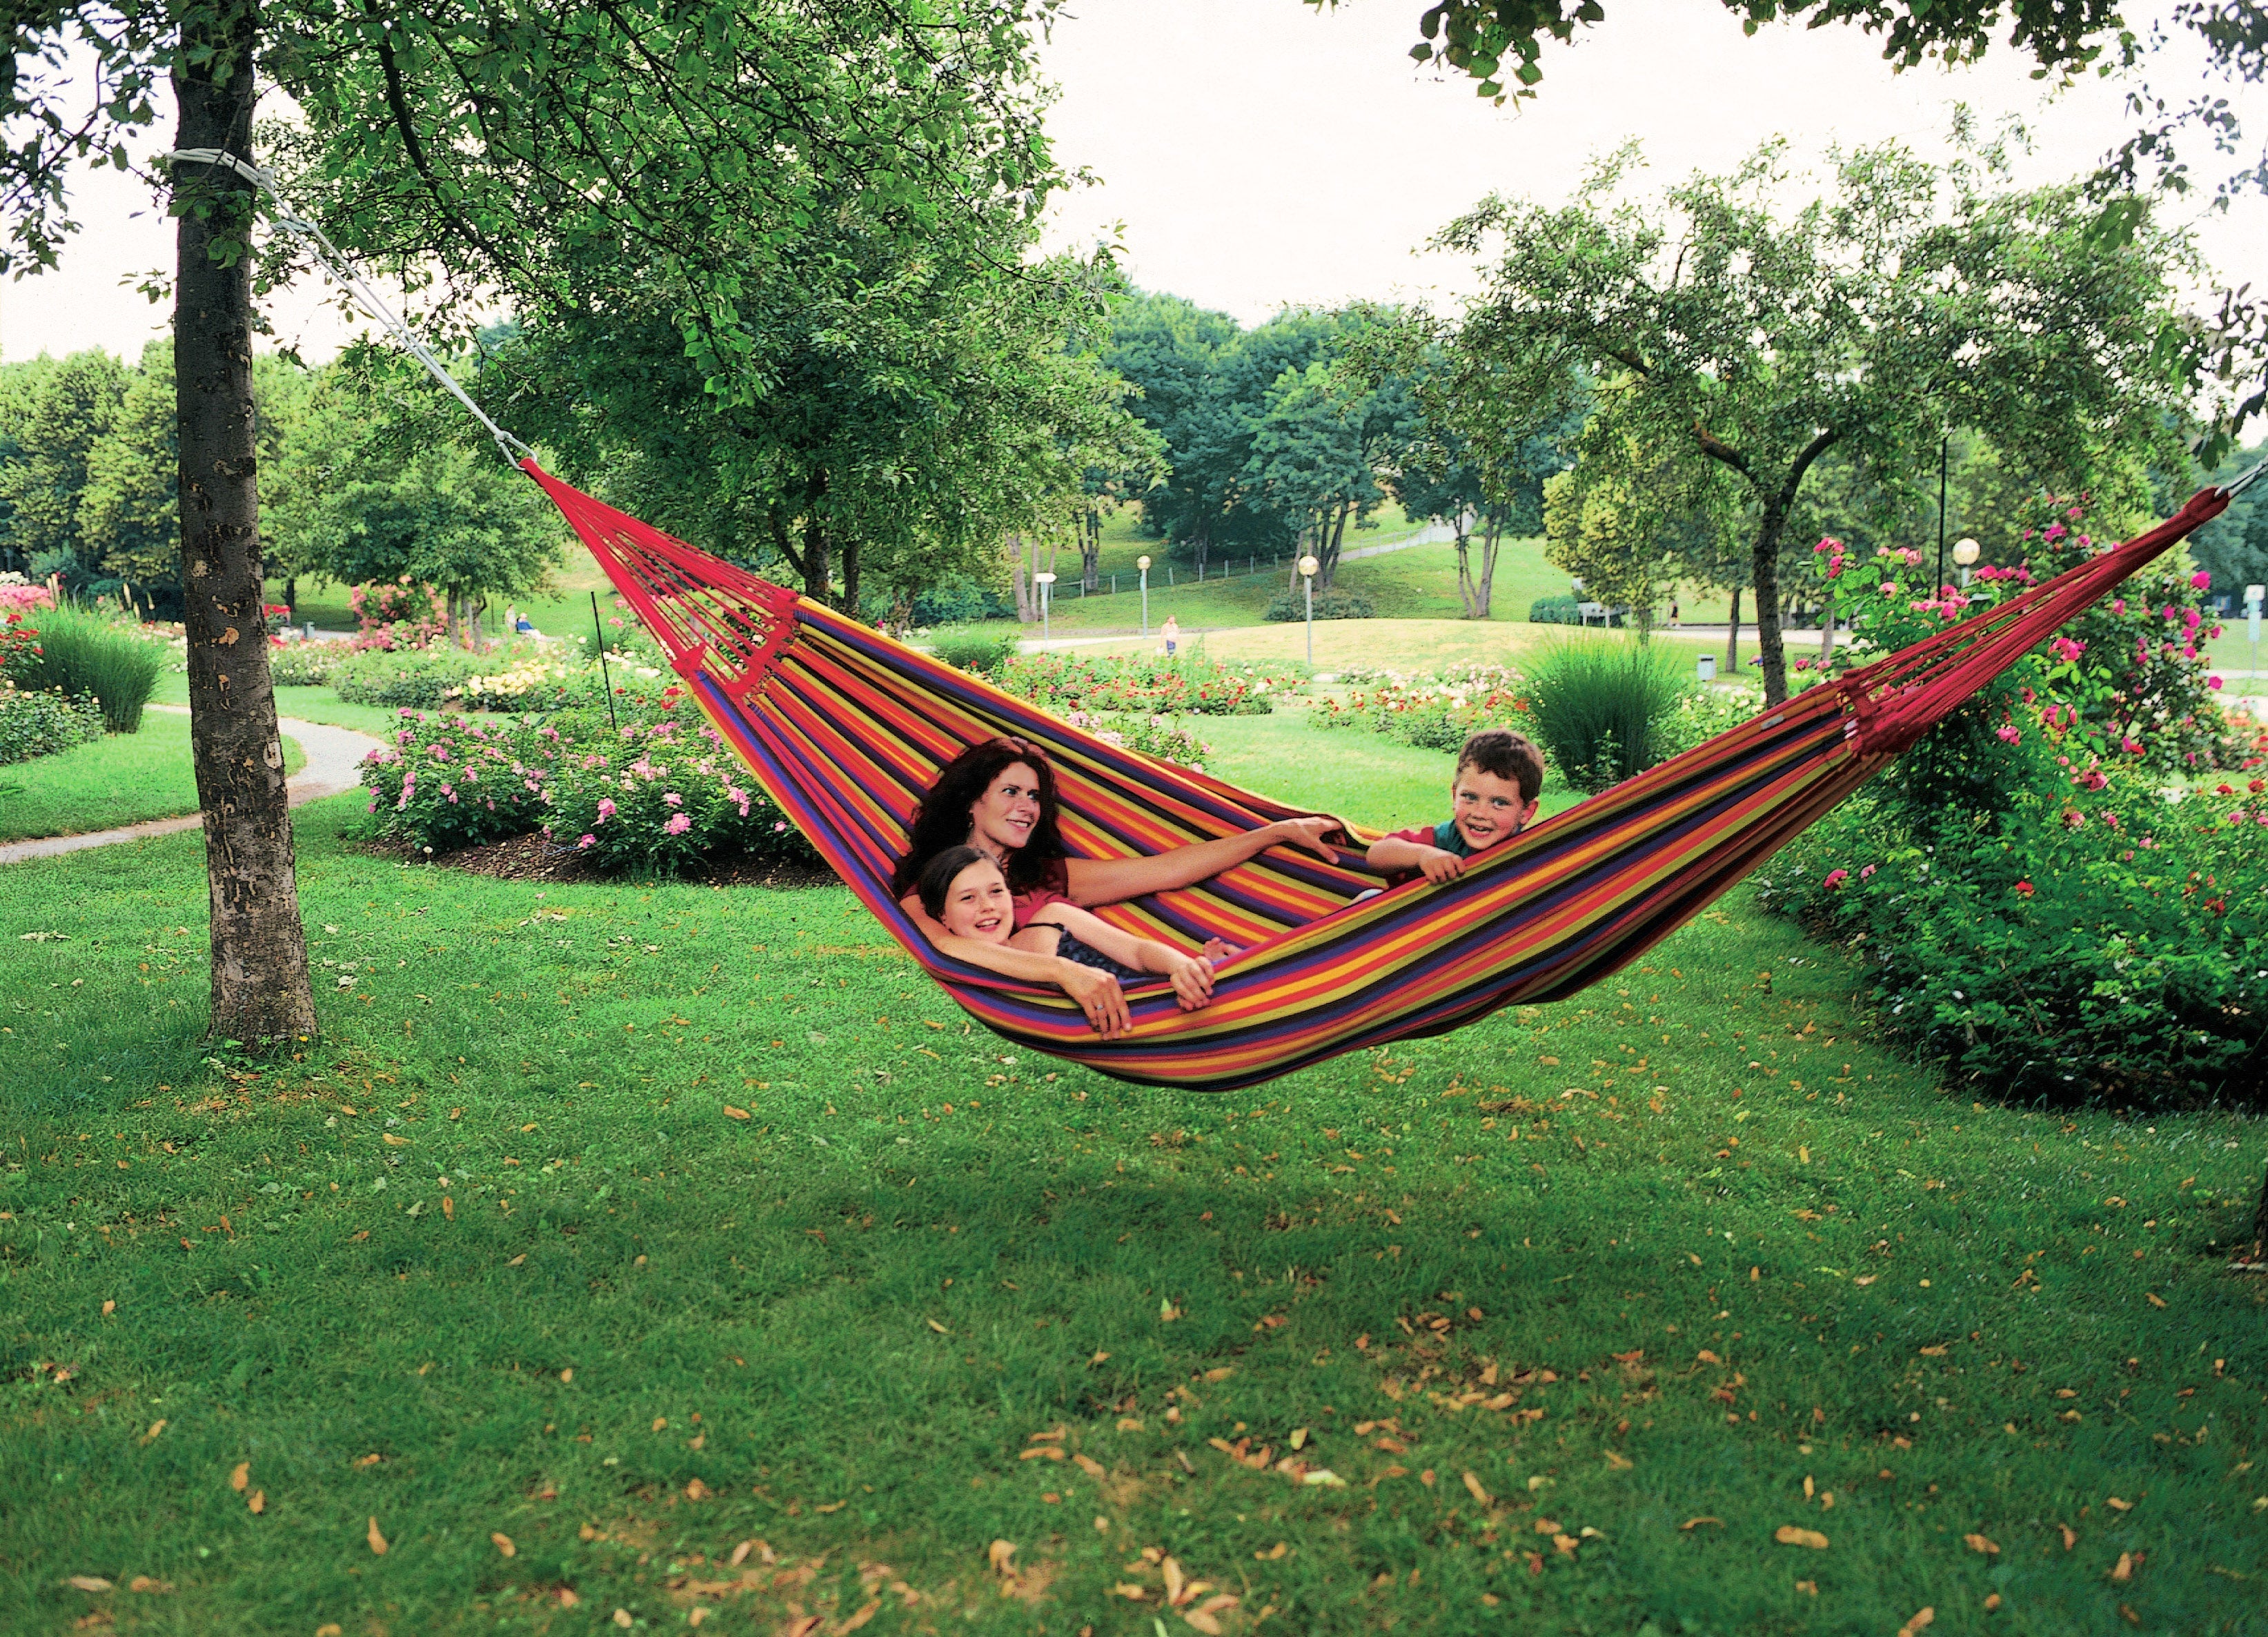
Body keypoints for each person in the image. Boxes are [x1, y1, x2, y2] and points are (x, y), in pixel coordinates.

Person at [889, 736, 1341, 1034]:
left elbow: (1165, 870)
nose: (1027, 807)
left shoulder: (1046, 877)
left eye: (1034, 796)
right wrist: (1063, 971)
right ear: (972, 802)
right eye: (1011, 792)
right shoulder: (934, 883)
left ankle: (1361, 933)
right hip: (1089, 1004)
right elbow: (941, 946)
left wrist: (1274, 832)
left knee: (1291, 979)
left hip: (1144, 991)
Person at [916, 846, 1221, 1023]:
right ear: (944, 917)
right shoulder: (953, 954)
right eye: (968, 898)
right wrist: (1064, 970)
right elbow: (944, 945)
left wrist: (1181, 966)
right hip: (1152, 1022)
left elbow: (1139, 952)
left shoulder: (1052, 919)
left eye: (997, 891)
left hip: (1182, 998)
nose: (987, 907)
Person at [1366, 728, 1545, 886]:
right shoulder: (1445, 839)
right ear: (1454, 796)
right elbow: (1377, 855)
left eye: (1499, 803)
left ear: (1526, 812)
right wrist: (1423, 855)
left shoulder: (1532, 856)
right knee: (1368, 897)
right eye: (1470, 797)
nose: (1480, 813)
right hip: (1420, 919)